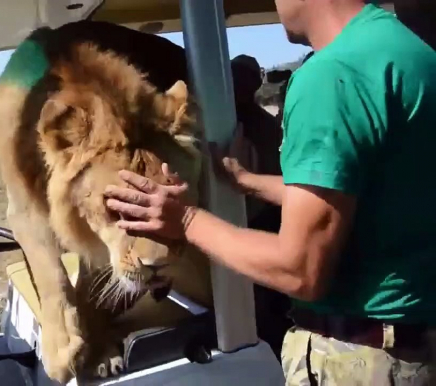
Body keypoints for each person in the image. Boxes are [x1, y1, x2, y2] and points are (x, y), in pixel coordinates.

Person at [103, 1, 436, 384]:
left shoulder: (331, 76)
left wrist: (187, 221)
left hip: (364, 360)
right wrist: (249, 182)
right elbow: (366, 189)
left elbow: (300, 270)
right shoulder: (410, 53)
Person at [231, 54, 292, 362]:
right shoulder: (228, 123)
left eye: (245, 78)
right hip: (254, 223)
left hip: (268, 221)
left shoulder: (262, 125)